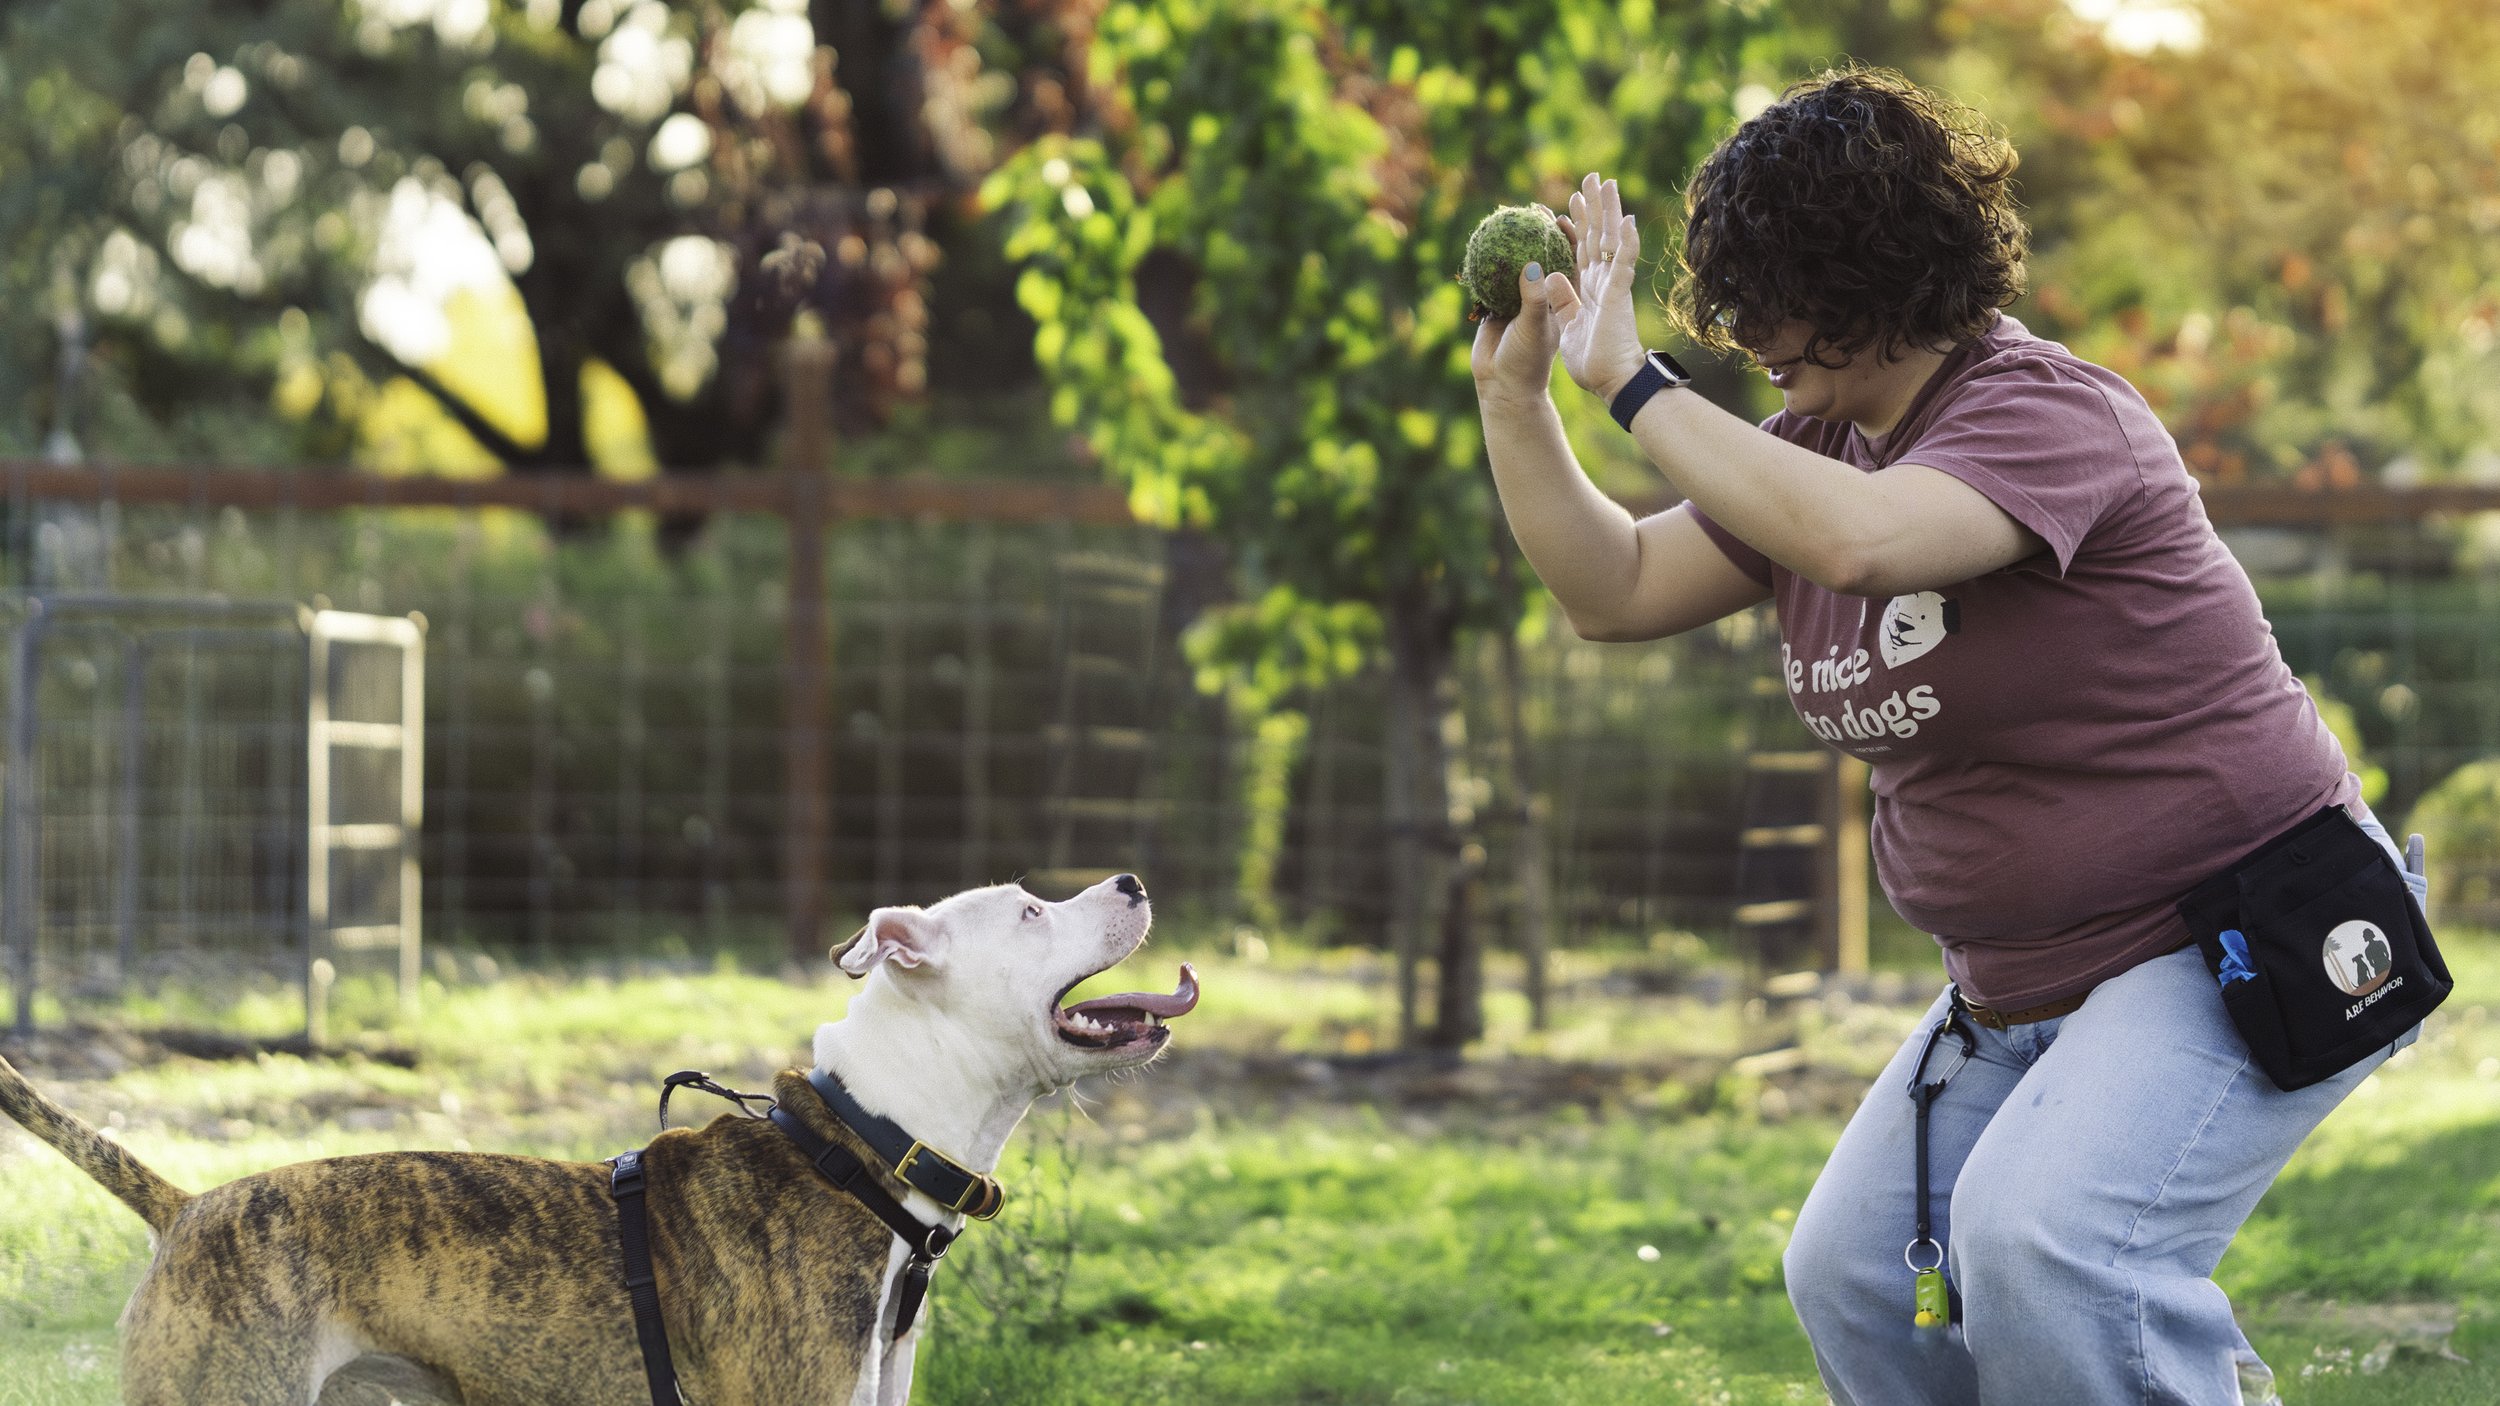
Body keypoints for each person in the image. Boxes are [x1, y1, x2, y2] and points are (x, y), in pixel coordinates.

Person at [1468, 66, 2425, 1405]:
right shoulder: (1814, 447)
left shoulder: (2043, 414)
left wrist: (1634, 382)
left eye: (1770, 291)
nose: (1745, 331)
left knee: (2048, 1248)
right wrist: (1517, 404)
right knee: (1857, 1276)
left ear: (1872, 263)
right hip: (2016, 976)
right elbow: (1613, 588)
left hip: (2240, 927)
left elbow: (1865, 545)